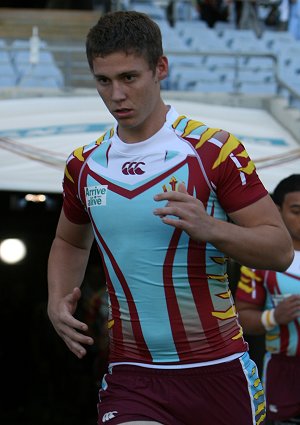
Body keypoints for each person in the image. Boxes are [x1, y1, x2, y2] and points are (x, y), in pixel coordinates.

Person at [47, 10, 294, 425]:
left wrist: (210, 227)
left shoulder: (213, 151)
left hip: (218, 372)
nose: (116, 95)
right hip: (132, 374)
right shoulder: (84, 165)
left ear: (160, 68)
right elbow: (70, 241)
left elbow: (280, 249)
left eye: (129, 77)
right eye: (103, 81)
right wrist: (57, 298)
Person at [235, 174, 300, 425]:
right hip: (282, 368)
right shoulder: (261, 260)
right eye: (296, 210)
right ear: (278, 209)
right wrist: (274, 316)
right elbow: (241, 319)